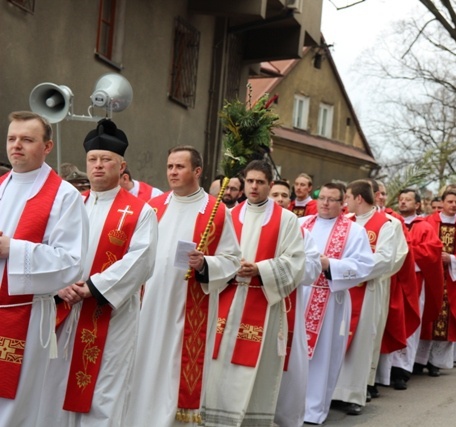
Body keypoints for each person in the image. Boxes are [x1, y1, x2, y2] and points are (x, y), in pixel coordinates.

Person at [37, 119, 158, 425]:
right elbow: (49, 249)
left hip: (109, 315)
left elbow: (141, 261)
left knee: (103, 391)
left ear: (122, 166)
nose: (98, 166)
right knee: (55, 385)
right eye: (93, 160)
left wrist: (91, 287)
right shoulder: (71, 204)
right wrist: (58, 286)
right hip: (66, 310)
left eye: (107, 160)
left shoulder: (140, 211)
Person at [126, 146, 241, 426]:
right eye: (170, 167)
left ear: (197, 171)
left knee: (173, 366)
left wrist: (204, 264)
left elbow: (232, 259)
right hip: (148, 301)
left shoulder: (215, 211)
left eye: (180, 167)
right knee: (142, 362)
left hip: (186, 305)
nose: (173, 172)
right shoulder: (154, 207)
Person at [0, 111, 88, 425]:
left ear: (47, 146)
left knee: (16, 406)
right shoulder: (0, 186)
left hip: (26, 314)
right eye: (12, 138)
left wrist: (13, 249)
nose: (17, 146)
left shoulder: (64, 196)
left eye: (27, 139)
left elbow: (71, 263)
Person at [203, 160, 306, 426]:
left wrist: (259, 268)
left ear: (270, 185)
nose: (254, 186)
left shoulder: (287, 220)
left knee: (255, 370)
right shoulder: (228, 214)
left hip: (263, 301)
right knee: (218, 364)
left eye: (260, 182)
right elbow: (212, 255)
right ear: (243, 183)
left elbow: (295, 262)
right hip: (226, 297)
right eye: (250, 181)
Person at [301, 183, 375, 425]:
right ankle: (291, 407)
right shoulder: (303, 224)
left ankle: (313, 411)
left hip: (330, 300)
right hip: (299, 296)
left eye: (332, 199)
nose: (325, 203)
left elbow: (363, 266)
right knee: (296, 355)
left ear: (343, 202)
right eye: (321, 198)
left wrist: (329, 265)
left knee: (323, 356)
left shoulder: (354, 231)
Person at [332, 180, 406, 415]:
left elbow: (386, 259)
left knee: (362, 342)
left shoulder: (386, 224)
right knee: (338, 338)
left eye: (348, 198)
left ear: (359, 199)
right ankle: (334, 391)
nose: (345, 203)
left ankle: (355, 394)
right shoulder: (345, 222)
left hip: (369, 290)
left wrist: (349, 269)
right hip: (342, 289)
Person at [269, 179, 322, 427]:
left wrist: (281, 268)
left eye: (283, 195)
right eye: (275, 194)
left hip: (288, 305)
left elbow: (312, 268)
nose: (279, 199)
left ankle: (286, 419)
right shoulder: (249, 224)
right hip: (252, 307)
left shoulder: (302, 232)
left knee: (290, 368)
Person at [379, 189, 442, 391]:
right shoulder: (390, 221)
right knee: (390, 322)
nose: (403, 202)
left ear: (417, 205)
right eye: (401, 199)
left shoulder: (424, 227)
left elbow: (432, 252)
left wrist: (405, 253)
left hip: (414, 281)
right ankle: (385, 369)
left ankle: (402, 370)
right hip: (391, 279)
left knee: (409, 323)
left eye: (408, 200)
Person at [416, 189, 456, 377]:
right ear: (442, 203)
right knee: (428, 317)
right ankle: (419, 360)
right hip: (430, 278)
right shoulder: (428, 223)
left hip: (452, 280)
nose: (453, 205)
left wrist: (452, 258)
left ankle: (436, 362)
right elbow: (419, 245)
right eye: (449, 201)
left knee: (447, 319)